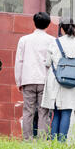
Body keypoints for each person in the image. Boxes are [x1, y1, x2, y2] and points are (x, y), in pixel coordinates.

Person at [41, 18, 75, 142]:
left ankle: (53, 141)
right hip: (73, 83)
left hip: (56, 81)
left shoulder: (54, 43)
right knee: (66, 112)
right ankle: (62, 142)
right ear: (74, 28)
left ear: (61, 28)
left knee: (56, 112)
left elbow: (47, 62)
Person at [14, 12, 54, 140]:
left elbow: (19, 61)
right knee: (44, 112)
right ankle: (42, 140)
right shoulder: (52, 41)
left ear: (34, 23)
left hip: (28, 79)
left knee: (28, 111)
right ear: (48, 25)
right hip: (45, 80)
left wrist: (18, 81)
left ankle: (27, 139)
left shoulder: (24, 40)